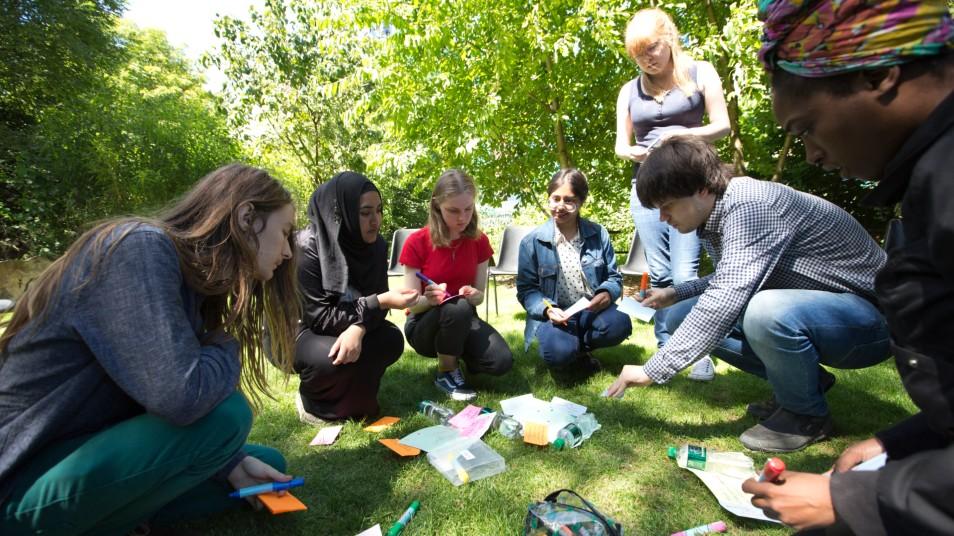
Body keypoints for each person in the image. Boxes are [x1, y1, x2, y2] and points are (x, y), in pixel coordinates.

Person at [741, 2, 954, 534]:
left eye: (807, 126)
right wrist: (900, 440)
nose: (811, 154)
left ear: (879, 76)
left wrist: (861, 500)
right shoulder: (930, 180)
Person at [0, 164, 300, 534]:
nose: (287, 251)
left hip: (81, 452)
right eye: (285, 233)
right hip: (16, 484)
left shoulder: (184, 279)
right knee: (228, 418)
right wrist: (227, 342)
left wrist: (229, 464)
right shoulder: (137, 248)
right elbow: (181, 396)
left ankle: (120, 515)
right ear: (246, 218)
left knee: (258, 463)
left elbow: (150, 395)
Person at [605, 137, 892, 453]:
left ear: (701, 188)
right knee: (678, 316)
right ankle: (804, 387)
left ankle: (806, 416)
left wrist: (652, 370)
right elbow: (736, 274)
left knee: (763, 310)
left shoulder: (750, 205)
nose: (663, 218)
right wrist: (676, 292)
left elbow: (727, 295)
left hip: (875, 319)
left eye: (667, 206)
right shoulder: (719, 211)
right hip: (827, 312)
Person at [615, 8, 731, 381]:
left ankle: (696, 350)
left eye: (651, 48)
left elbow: (723, 126)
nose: (646, 59)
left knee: (686, 271)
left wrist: (681, 134)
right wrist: (631, 151)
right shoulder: (629, 91)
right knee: (661, 272)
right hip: (647, 188)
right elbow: (621, 144)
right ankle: (666, 350)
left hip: (688, 185)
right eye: (638, 54)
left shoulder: (701, 72)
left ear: (669, 38)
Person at [294, 172, 419, 424]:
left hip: (348, 323)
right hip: (302, 329)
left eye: (379, 210)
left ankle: (352, 399)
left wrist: (359, 327)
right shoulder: (308, 247)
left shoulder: (376, 247)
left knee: (390, 339)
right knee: (331, 357)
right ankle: (310, 401)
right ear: (344, 212)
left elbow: (377, 304)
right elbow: (319, 317)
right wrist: (379, 303)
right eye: (365, 213)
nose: (376, 221)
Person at [400, 169, 513, 401]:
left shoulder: (479, 241)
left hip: (464, 317)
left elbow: (479, 297)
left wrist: (474, 295)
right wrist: (429, 300)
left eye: (468, 209)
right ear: (437, 206)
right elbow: (410, 304)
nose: (462, 218)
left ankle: (455, 352)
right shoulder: (417, 242)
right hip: (423, 324)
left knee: (501, 362)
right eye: (453, 210)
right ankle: (446, 371)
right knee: (457, 307)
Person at [516, 168, 632, 381]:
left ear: (581, 202)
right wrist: (548, 310)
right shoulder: (531, 242)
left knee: (620, 324)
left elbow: (614, 278)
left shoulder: (598, 234)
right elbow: (526, 290)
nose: (560, 206)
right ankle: (573, 353)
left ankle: (577, 350)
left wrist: (607, 292)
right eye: (555, 199)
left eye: (569, 200)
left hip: (591, 309)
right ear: (548, 198)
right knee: (557, 353)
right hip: (555, 314)